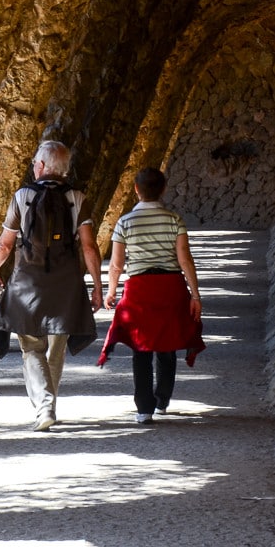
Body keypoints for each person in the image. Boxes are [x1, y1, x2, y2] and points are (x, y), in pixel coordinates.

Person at [0, 141, 104, 432]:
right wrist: (97, 286)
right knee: (56, 348)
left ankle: (44, 407)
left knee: (31, 348)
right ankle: (48, 405)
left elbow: (5, 243)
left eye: (35, 162)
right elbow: (89, 246)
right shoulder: (77, 197)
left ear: (40, 166)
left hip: (28, 283)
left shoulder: (23, 196)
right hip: (65, 285)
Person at [98, 167, 204, 424]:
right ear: (163, 189)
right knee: (166, 347)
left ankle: (143, 409)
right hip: (170, 288)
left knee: (140, 348)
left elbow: (116, 264)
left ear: (136, 189)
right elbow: (185, 259)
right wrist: (195, 294)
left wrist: (111, 291)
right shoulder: (174, 220)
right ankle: (162, 401)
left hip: (139, 290)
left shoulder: (124, 222)